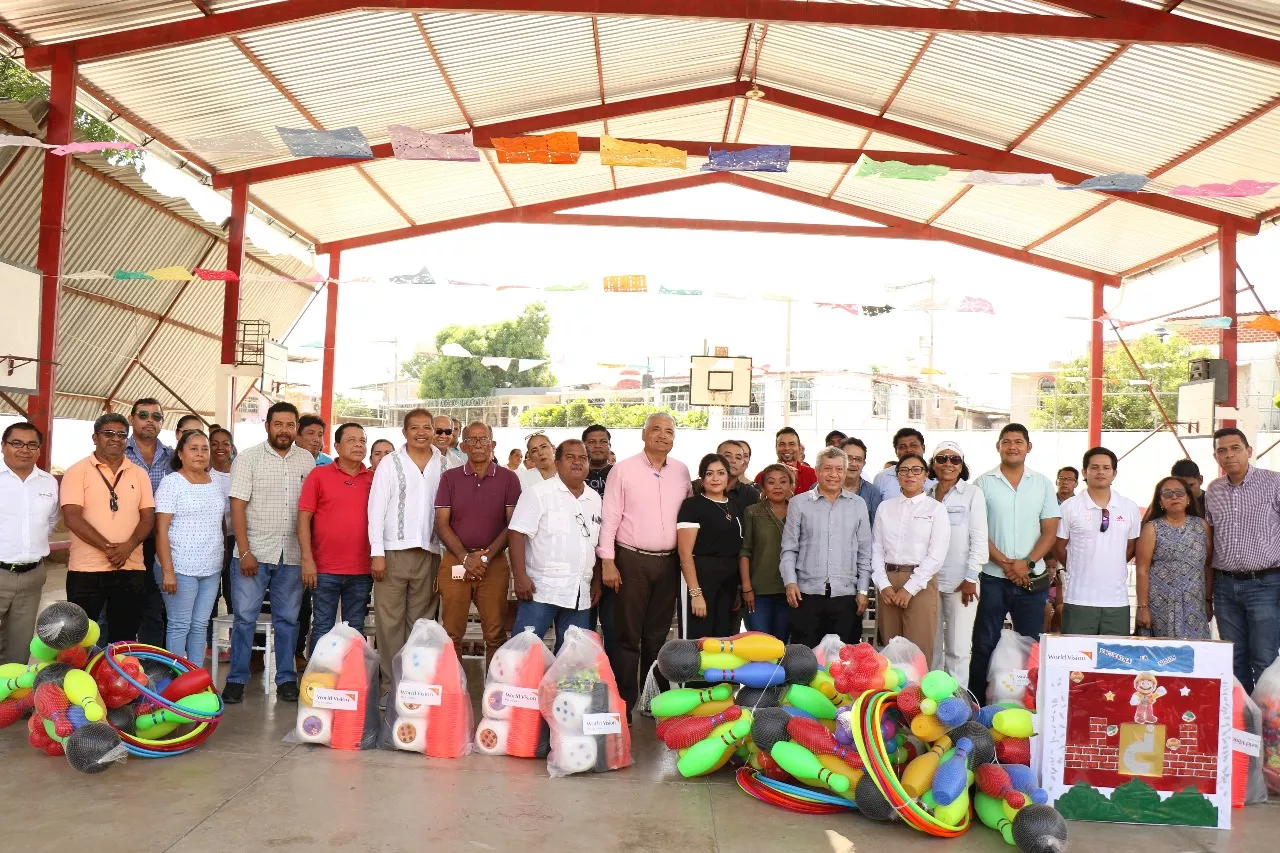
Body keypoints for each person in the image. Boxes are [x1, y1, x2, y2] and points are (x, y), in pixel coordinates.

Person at [598, 413, 692, 718]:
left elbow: (688, 519)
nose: (662, 436)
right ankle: (624, 702)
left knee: (657, 636)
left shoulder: (681, 471)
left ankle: (654, 701)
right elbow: (610, 517)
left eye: (669, 431)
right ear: (643, 434)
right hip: (630, 560)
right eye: (656, 430)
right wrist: (608, 562)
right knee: (627, 636)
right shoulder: (623, 470)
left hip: (668, 564)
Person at [224, 402, 314, 704]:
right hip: (254, 554)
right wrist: (245, 550)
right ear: (268, 426)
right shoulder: (248, 459)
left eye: (290, 425)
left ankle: (286, 678)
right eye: (278, 424)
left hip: (291, 554)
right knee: (245, 618)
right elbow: (237, 506)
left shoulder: (307, 461)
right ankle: (237, 678)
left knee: (288, 620)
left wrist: (307, 555)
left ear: (296, 427)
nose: (284, 430)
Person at [970, 424, 1060, 701]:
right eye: (1006, 441)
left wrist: (1027, 564)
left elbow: (1050, 530)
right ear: (998, 446)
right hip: (992, 577)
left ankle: (1029, 703)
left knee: (1031, 643)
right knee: (984, 642)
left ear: (1028, 447)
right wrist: (1008, 565)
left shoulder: (1042, 483)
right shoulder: (983, 483)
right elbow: (977, 530)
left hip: (1032, 579)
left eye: (1018, 441)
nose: (1012, 446)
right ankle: (977, 703)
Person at [368, 408, 446, 692]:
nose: (422, 433)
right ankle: (390, 685)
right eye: (416, 428)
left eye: (428, 427)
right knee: (389, 622)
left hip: (430, 552)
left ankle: (415, 685)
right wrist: (377, 552)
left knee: (422, 623)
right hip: (392, 553)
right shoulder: (391, 463)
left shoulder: (444, 463)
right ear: (405, 432)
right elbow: (376, 509)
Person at [61, 413, 155, 644]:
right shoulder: (77, 471)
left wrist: (128, 547)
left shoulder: (139, 474)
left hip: (130, 567)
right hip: (86, 569)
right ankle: (80, 679)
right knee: (80, 636)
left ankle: (118, 679)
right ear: (95, 437)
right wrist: (110, 548)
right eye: (109, 433)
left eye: (122, 435)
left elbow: (148, 518)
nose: (116, 439)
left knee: (124, 637)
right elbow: (72, 517)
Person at [435, 423, 521, 666]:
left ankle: (493, 695)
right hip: (456, 560)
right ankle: (455, 694)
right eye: (472, 440)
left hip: (492, 563)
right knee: (451, 633)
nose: (479, 445)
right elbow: (441, 523)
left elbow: (512, 524)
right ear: (462, 446)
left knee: (494, 634)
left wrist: (486, 556)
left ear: (493, 445)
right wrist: (465, 557)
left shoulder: (509, 479)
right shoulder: (450, 478)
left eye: (484, 440)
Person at [1204, 427, 1280, 692]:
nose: (1229, 455)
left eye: (1235, 448)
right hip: (1225, 587)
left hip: (1266, 585)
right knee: (1233, 659)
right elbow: (1211, 539)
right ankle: (1243, 726)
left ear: (1249, 451)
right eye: (1222, 451)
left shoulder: (1274, 483)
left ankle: (1270, 729)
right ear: (1216, 457)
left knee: (1265, 658)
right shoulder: (1213, 491)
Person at [509, 439, 602, 652]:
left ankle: (559, 688)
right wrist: (520, 577)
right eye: (570, 457)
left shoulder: (594, 499)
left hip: (580, 593)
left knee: (571, 660)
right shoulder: (539, 493)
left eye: (582, 458)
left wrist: (596, 580)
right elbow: (516, 533)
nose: (577, 462)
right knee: (523, 653)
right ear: (557, 462)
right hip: (541, 590)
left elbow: (593, 543)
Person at [780, 447, 873, 647]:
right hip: (805, 594)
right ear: (817, 470)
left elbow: (865, 552)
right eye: (827, 469)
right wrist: (790, 582)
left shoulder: (858, 504)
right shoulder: (799, 503)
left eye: (839, 469)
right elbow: (789, 548)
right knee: (805, 659)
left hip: (847, 594)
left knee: (844, 660)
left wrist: (863, 590)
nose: (833, 475)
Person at [299, 423, 374, 652]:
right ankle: (317, 683)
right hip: (325, 568)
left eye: (362, 440)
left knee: (355, 629)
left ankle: (352, 683)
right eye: (351, 440)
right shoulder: (319, 475)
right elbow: (303, 519)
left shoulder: (374, 478)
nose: (358, 445)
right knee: (323, 627)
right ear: (337, 446)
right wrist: (307, 560)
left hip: (362, 569)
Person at [155, 431, 227, 663]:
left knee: (199, 625)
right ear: (181, 453)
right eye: (193, 448)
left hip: (211, 568)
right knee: (179, 625)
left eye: (204, 448)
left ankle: (195, 679)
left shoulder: (215, 482)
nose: (200, 453)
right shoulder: (171, 483)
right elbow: (161, 530)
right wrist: (167, 570)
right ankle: (177, 679)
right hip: (179, 568)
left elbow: (220, 524)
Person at [1054, 447, 1140, 636]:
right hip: (1079, 599)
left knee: (1114, 662)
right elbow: (1058, 546)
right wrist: (1079, 566)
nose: (1100, 472)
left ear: (1114, 473)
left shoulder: (1129, 507)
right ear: (1084, 472)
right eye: (1094, 467)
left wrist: (1110, 563)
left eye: (1106, 468)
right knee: (1076, 660)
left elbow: (1132, 547)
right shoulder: (1070, 507)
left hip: (1116, 601)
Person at [872, 453, 949, 662]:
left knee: (918, 651)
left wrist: (909, 589)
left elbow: (936, 555)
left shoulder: (936, 509)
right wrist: (883, 584)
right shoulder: (885, 508)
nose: (910, 475)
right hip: (888, 581)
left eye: (917, 470)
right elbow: (876, 549)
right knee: (890, 650)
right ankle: (891, 695)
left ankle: (917, 695)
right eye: (904, 470)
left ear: (926, 476)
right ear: (897, 476)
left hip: (920, 583)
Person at [927, 441, 987, 684]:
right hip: (928, 582)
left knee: (958, 648)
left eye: (954, 459)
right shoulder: (926, 493)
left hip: (961, 582)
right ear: (933, 465)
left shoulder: (973, 494)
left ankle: (958, 704)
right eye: (941, 459)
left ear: (962, 466)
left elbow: (979, 538)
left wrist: (971, 577)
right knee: (930, 647)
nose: (948, 464)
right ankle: (926, 699)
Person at [0, 422, 59, 664]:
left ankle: (7, 698)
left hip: (32, 577)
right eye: (16, 443)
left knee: (18, 649)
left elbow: (52, 521)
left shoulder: (48, 482)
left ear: (39, 449)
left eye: (32, 444)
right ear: (3, 446)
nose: (24, 449)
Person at [678, 453, 745, 640]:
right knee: (698, 641)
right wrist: (696, 594)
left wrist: (738, 588)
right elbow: (685, 553)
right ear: (702, 478)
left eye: (721, 473)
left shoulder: (735, 506)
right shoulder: (692, 506)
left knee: (723, 640)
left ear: (728, 477)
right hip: (700, 580)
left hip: (728, 585)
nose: (715, 478)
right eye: (709, 473)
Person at [1135, 476, 1211, 640]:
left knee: (1195, 656)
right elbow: (1142, 570)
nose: (1174, 497)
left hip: (1194, 606)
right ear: (1160, 502)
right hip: (1160, 606)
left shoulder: (1201, 526)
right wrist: (1142, 607)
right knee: (1161, 658)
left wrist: (1208, 600)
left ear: (1188, 498)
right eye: (1167, 493)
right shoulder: (1151, 528)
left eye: (1179, 492)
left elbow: (1208, 566)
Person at [125, 398, 171, 647]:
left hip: (159, 543)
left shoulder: (173, 458)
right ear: (132, 419)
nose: (150, 421)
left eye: (156, 416)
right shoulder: (118, 452)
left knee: (154, 608)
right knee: (117, 607)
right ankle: (113, 668)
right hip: (124, 541)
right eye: (143, 415)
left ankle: (151, 669)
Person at [739, 463, 795, 641]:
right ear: (762, 487)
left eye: (783, 482)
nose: (777, 487)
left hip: (790, 591)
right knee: (760, 644)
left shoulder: (798, 511)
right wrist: (747, 588)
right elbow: (745, 551)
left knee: (782, 645)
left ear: (791, 485)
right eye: (771, 482)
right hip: (758, 591)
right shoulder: (753, 512)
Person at [694, 440, 759, 515]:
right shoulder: (694, 488)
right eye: (727, 456)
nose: (733, 461)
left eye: (738, 458)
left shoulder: (751, 494)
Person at [873, 428, 936, 499]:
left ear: (923, 448)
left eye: (913, 445)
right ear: (896, 451)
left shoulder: (936, 474)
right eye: (902, 447)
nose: (908, 450)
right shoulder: (882, 478)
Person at [756, 427, 816, 494]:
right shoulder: (762, 476)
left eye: (791, 444)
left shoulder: (813, 475)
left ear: (799, 448)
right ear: (776, 448)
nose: (787, 448)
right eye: (782, 444)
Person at [841, 437, 883, 524]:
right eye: (848, 458)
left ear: (864, 464)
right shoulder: (820, 488)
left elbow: (874, 526)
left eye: (858, 459)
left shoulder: (872, 493)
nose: (853, 464)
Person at [583, 424, 613, 498]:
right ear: (583, 446)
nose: (598, 446)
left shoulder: (620, 473)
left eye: (603, 441)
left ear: (610, 446)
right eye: (592, 442)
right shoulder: (572, 474)